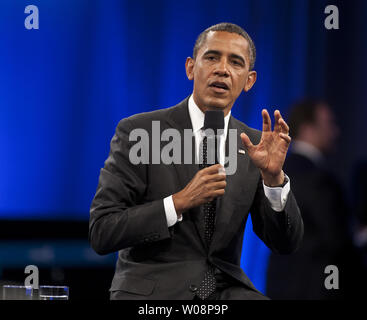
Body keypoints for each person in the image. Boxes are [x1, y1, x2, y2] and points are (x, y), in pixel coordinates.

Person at [89, 22, 303, 300]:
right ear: (191, 67)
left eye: (235, 62)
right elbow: (102, 231)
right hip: (153, 293)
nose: (222, 69)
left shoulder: (254, 146)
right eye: (212, 57)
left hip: (225, 292)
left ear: (249, 80)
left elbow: (286, 244)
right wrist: (177, 202)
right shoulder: (140, 132)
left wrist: (274, 180)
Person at [266, 99, 358, 299]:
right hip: (318, 289)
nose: (336, 132)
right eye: (329, 124)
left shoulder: (278, 173)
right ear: (308, 128)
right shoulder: (317, 179)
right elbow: (334, 241)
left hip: (280, 288)